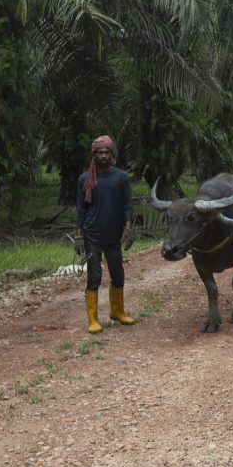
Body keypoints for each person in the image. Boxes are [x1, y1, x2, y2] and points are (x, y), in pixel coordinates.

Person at [75, 135, 136, 333]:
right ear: (94, 155)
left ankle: (117, 311)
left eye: (106, 152)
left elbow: (127, 205)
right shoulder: (85, 179)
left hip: (114, 234)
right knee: (94, 277)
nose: (103, 156)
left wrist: (128, 228)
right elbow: (81, 209)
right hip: (92, 234)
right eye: (99, 152)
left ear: (111, 154)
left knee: (118, 275)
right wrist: (78, 236)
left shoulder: (121, 177)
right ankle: (92, 320)